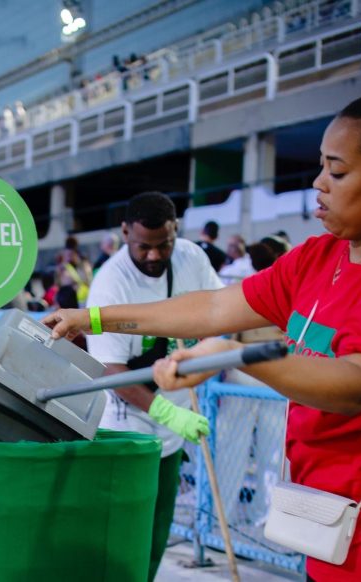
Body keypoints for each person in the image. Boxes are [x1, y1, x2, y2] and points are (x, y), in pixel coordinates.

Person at [44, 93, 361, 581]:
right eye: (320, 167)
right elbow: (215, 306)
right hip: (328, 518)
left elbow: (358, 383)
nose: (318, 183)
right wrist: (91, 319)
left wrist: (237, 354)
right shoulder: (320, 257)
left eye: (338, 172)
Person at [85, 191, 222, 581]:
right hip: (126, 423)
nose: (154, 256)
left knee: (157, 531)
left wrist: (207, 352)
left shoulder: (192, 257)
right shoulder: (111, 283)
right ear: (125, 232)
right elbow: (110, 371)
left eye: (164, 245)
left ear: (175, 230)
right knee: (125, 534)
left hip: (175, 419)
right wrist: (166, 412)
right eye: (143, 246)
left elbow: (217, 307)